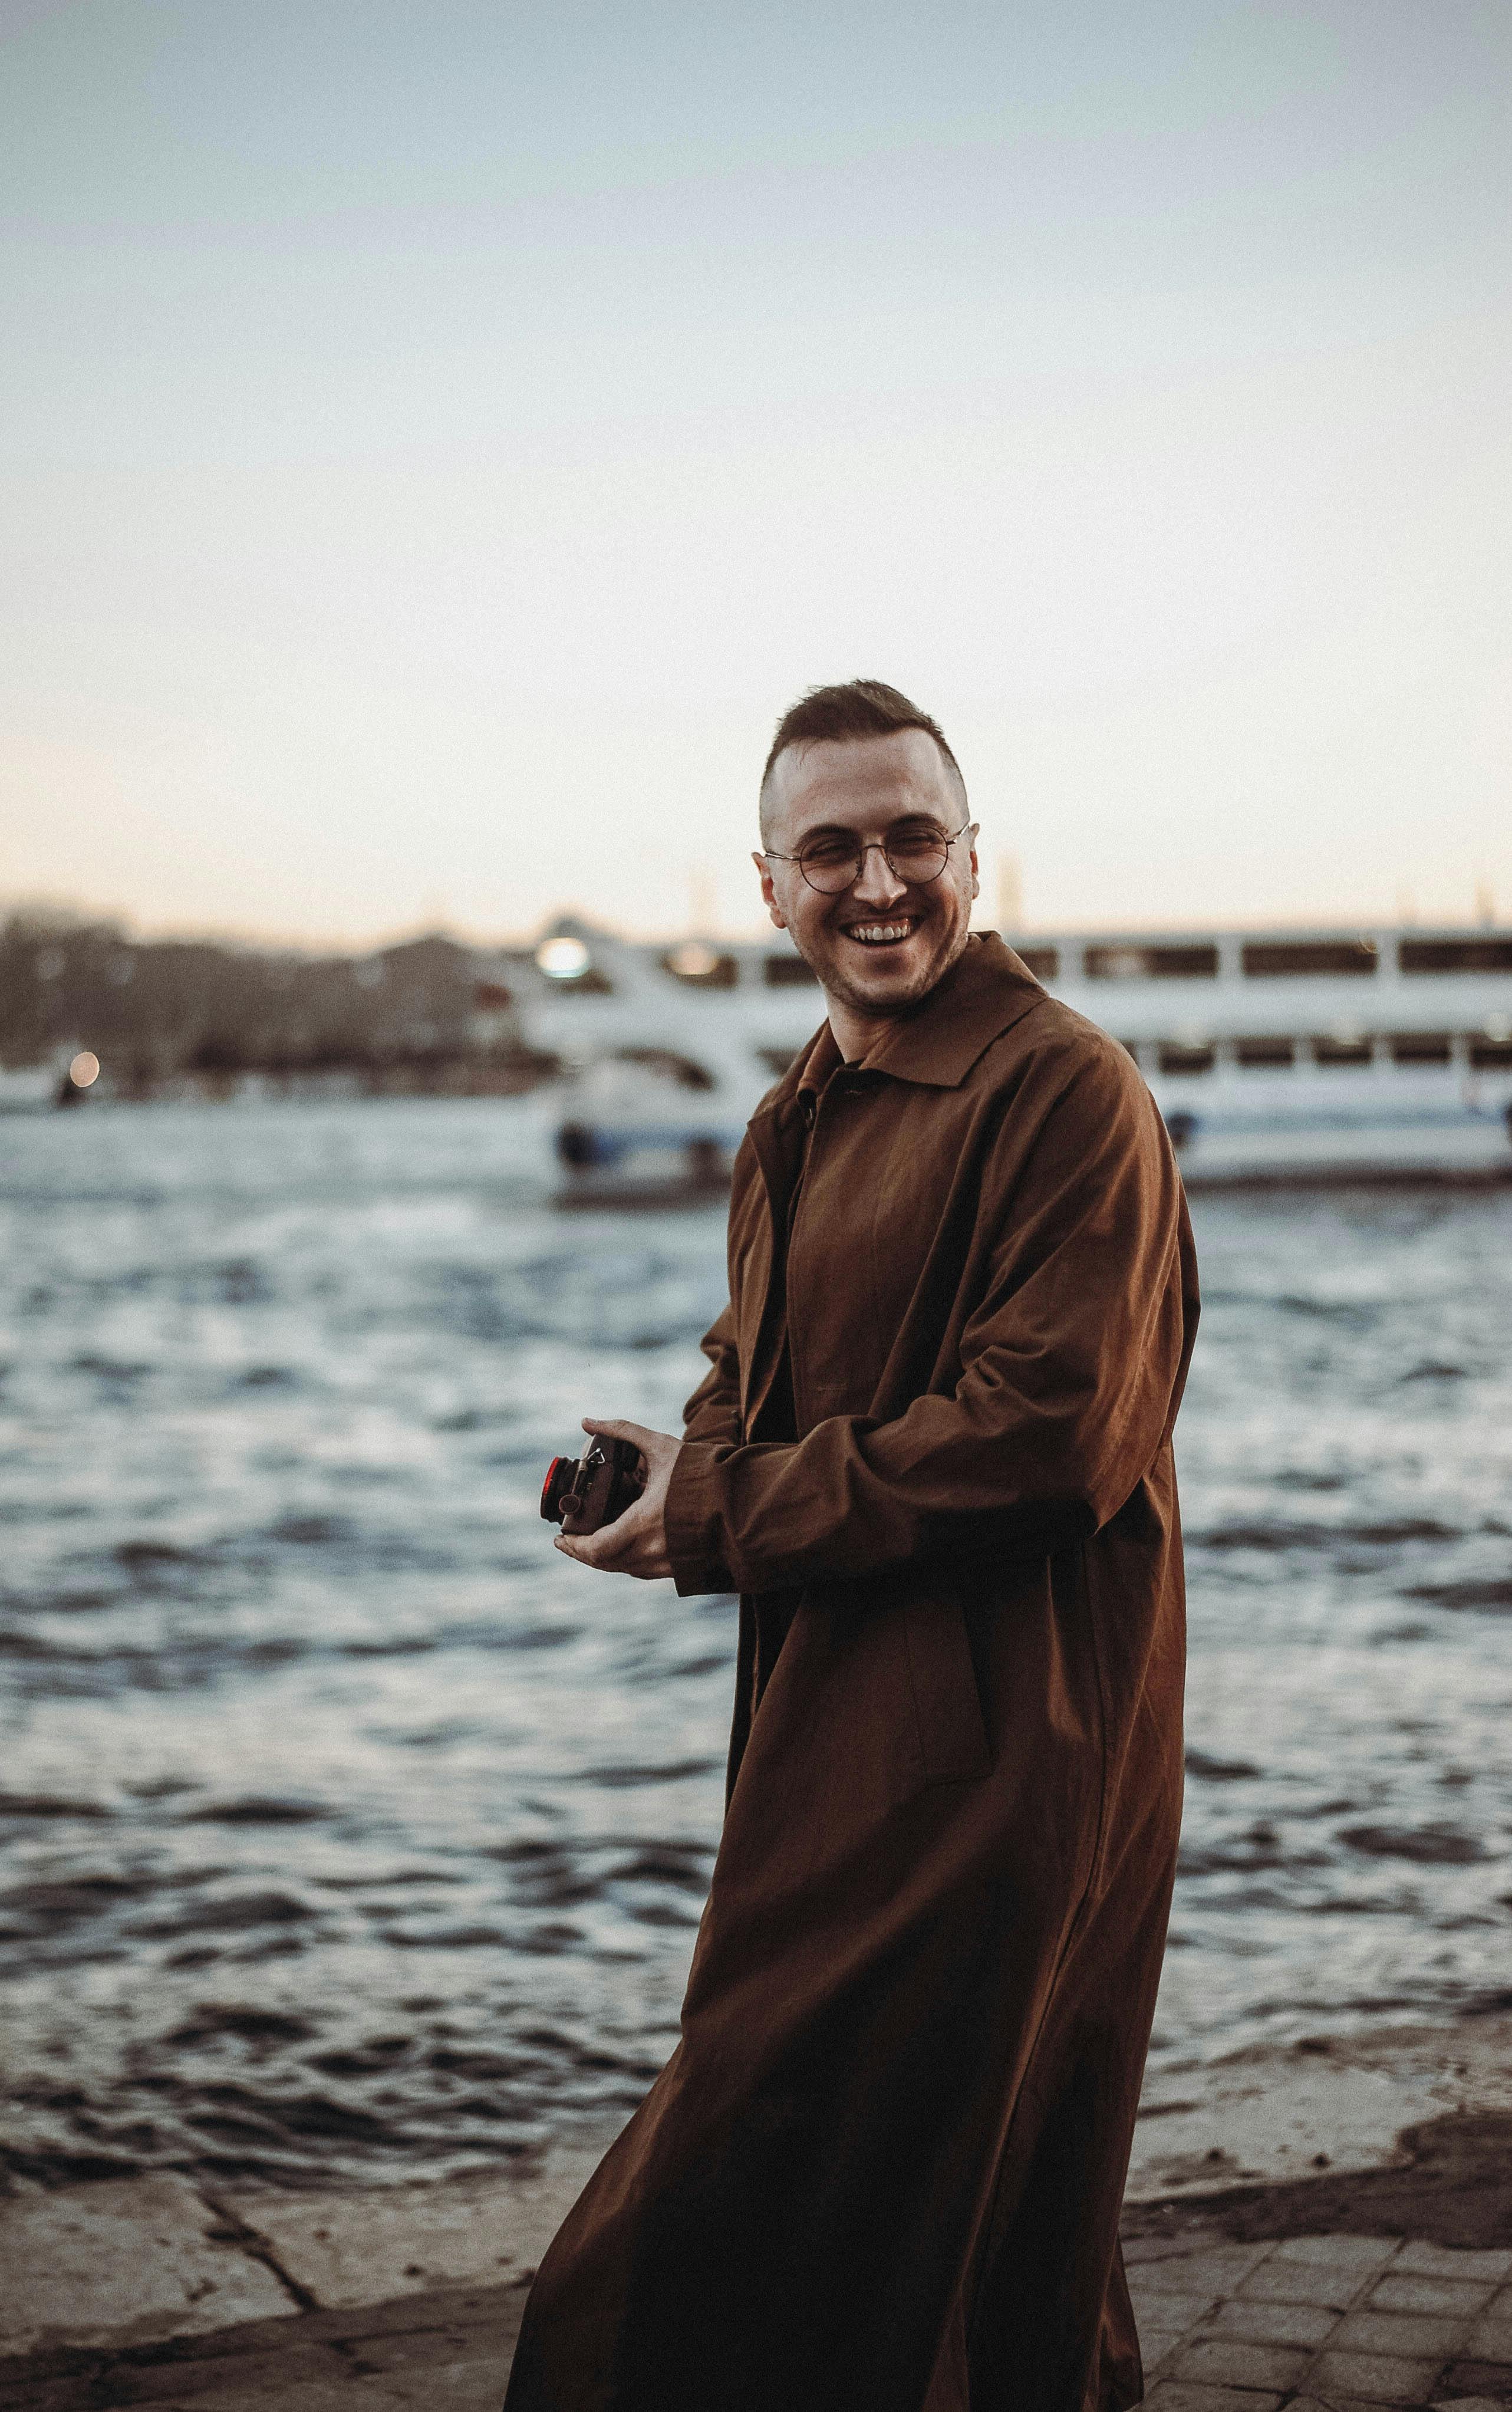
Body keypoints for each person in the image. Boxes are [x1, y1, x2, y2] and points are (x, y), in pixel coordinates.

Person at [503, 679, 1199, 2412]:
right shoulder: (798, 1113)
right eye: (833, 848)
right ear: (769, 885)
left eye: (910, 841)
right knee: (973, 2235)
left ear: (974, 858)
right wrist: (669, 1474)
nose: (876, 883)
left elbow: (1051, 1438)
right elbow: (761, 1378)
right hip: (828, 1743)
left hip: (1000, 1760)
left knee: (708, 2240)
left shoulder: (1066, 1096)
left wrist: (725, 1506)